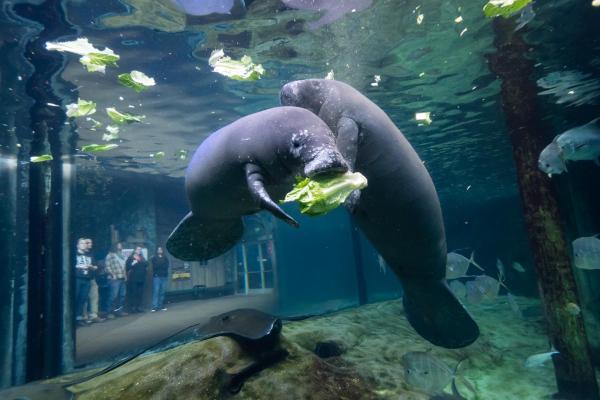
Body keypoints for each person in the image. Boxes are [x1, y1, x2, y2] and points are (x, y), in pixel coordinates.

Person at [105, 242, 128, 318]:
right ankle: (109, 312)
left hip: (122, 277)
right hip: (114, 279)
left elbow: (124, 267)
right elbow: (107, 267)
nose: (120, 246)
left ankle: (119, 311)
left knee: (122, 295)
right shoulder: (110, 255)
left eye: (121, 245)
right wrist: (112, 274)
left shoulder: (122, 255)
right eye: (118, 245)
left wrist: (125, 275)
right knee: (113, 296)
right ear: (115, 246)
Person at [75, 238, 95, 327]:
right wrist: (81, 266)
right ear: (78, 245)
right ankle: (73, 317)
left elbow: (95, 266)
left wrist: (91, 267)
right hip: (78, 278)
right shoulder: (74, 254)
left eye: (85, 243)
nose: (84, 245)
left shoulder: (89, 255)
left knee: (82, 299)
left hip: (87, 279)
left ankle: (78, 318)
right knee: (76, 297)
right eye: (82, 243)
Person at [84, 238, 104, 323]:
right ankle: (84, 316)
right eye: (89, 243)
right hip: (84, 279)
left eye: (91, 242)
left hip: (92, 278)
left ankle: (94, 315)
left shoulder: (91, 254)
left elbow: (95, 265)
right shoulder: (80, 254)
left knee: (95, 297)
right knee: (84, 298)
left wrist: (94, 267)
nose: (91, 244)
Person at [126, 246, 148, 313]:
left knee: (140, 293)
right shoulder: (131, 257)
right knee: (134, 293)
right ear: (135, 250)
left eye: (140, 249)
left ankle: (138, 307)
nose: (139, 250)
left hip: (141, 278)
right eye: (138, 249)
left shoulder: (142, 257)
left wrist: (142, 261)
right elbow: (127, 267)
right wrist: (133, 263)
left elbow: (147, 264)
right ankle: (133, 308)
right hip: (133, 279)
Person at [151, 246, 170, 312]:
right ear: (157, 250)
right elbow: (155, 266)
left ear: (162, 250)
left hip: (164, 277)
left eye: (161, 249)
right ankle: (155, 307)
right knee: (156, 291)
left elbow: (166, 266)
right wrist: (161, 264)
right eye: (158, 249)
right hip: (157, 277)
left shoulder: (165, 258)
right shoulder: (154, 258)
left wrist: (160, 264)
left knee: (162, 291)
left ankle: (160, 305)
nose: (160, 250)